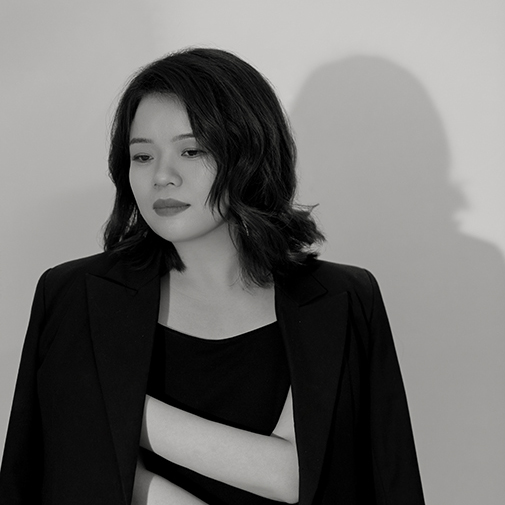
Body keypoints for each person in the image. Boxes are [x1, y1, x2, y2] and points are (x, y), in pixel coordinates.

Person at [0, 48, 425, 505]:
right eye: (141, 156)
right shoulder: (76, 297)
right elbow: (66, 475)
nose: (162, 176)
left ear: (249, 154)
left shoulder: (341, 299)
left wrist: (108, 402)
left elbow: (328, 475)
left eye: (191, 150)